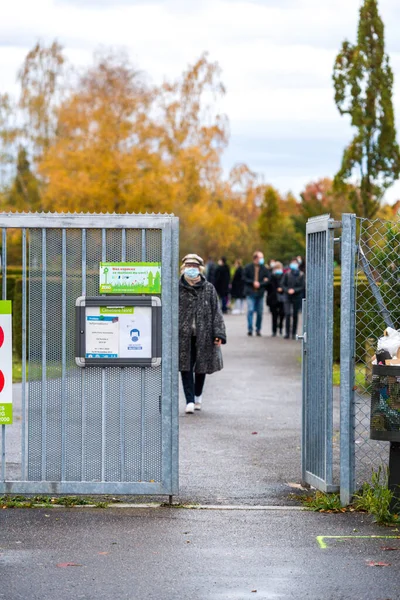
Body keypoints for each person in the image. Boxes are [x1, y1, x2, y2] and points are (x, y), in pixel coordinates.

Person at [179, 254, 227, 414]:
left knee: (201, 367)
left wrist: (218, 333)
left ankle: (198, 396)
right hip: (183, 336)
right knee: (185, 367)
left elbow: (216, 312)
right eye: (188, 266)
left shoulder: (209, 288)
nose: (191, 269)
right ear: (183, 268)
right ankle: (190, 400)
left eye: (194, 266)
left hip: (204, 334)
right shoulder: (177, 288)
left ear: (199, 269)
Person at [243, 251, 270, 336]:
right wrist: (252, 282)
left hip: (260, 293)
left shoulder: (264, 268)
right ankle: (250, 329)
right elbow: (244, 278)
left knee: (259, 312)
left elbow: (268, 279)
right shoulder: (248, 267)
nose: (262, 259)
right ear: (255, 258)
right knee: (250, 310)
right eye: (260, 257)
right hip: (250, 292)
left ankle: (258, 329)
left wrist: (260, 283)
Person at [282, 258, 305, 340]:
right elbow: (283, 284)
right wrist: (287, 290)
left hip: (296, 296)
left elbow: (302, 286)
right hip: (287, 296)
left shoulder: (301, 275)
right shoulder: (287, 274)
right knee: (287, 314)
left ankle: (294, 333)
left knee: (295, 315)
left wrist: (294, 290)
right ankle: (287, 332)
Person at [266, 261, 285, 337]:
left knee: (282, 314)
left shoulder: (284, 276)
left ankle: (280, 327)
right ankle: (274, 330)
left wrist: (282, 289)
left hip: (282, 298)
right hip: (273, 298)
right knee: (274, 315)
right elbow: (268, 287)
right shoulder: (271, 277)